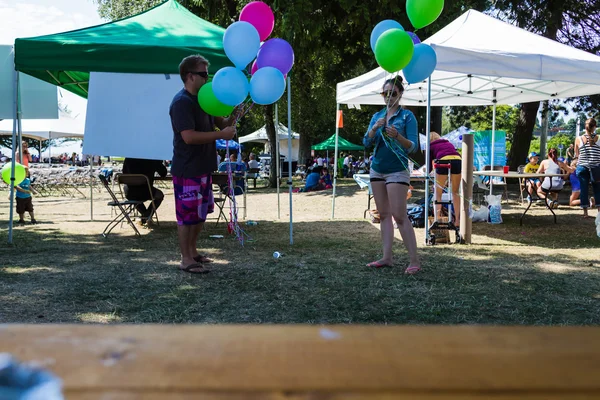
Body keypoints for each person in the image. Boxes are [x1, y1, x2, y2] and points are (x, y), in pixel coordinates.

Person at [170, 54, 237, 274]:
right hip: (187, 169)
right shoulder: (181, 103)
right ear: (190, 76)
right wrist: (220, 135)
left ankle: (193, 252)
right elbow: (189, 137)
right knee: (187, 216)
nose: (207, 78)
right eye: (203, 74)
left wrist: (234, 114)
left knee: (200, 214)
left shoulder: (205, 99)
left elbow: (223, 123)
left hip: (204, 167)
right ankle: (185, 259)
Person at [363, 76, 420, 274]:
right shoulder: (377, 116)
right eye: (385, 93)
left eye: (393, 93)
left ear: (400, 94)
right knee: (384, 215)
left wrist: (398, 136)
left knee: (399, 214)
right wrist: (374, 129)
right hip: (377, 168)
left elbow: (413, 147)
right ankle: (387, 258)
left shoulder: (407, 117)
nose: (388, 97)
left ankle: (414, 261)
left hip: (397, 169)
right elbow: (365, 142)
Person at [428, 131, 462, 224]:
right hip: (457, 160)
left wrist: (427, 173)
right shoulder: (447, 142)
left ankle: (437, 218)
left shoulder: (431, 146)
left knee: (438, 192)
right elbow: (454, 153)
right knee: (455, 192)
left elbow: (429, 165)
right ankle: (458, 220)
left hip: (442, 161)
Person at [122, 157, 168, 224]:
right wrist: (158, 162)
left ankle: (145, 215)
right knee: (160, 195)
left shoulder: (128, 158)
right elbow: (163, 173)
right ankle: (147, 215)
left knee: (134, 198)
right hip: (145, 190)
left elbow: (124, 173)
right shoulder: (151, 158)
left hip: (129, 191)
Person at [574, 117, 600, 219]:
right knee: (598, 189)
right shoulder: (599, 138)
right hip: (596, 167)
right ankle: (599, 212)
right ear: (595, 127)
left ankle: (585, 213)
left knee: (583, 189)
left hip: (582, 166)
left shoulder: (578, 139)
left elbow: (577, 155)